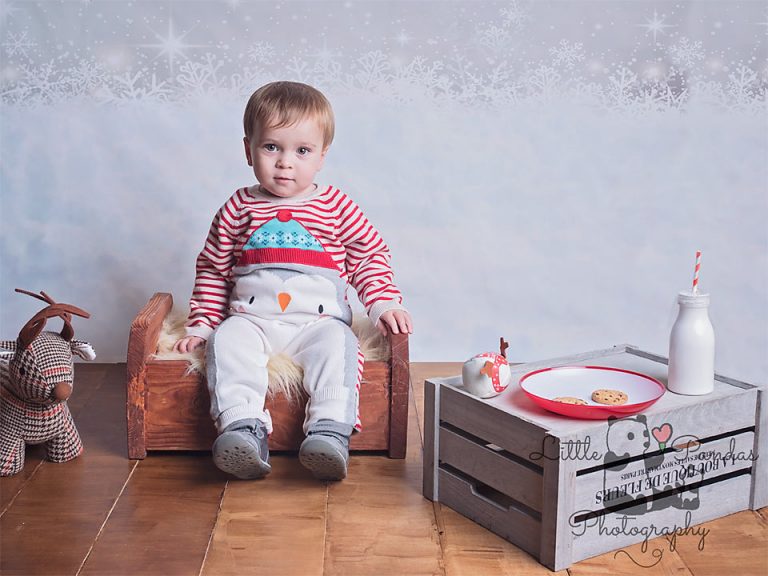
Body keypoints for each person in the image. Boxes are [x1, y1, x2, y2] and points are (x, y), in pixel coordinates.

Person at [174, 81, 413, 481]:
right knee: (227, 342)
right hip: (252, 322)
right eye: (272, 148)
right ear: (248, 149)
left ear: (321, 157)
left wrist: (385, 302)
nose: (285, 162)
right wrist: (201, 324)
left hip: (317, 324)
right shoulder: (238, 207)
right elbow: (214, 270)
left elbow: (368, 256)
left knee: (340, 348)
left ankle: (329, 431)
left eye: (301, 151)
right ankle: (242, 428)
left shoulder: (336, 206)